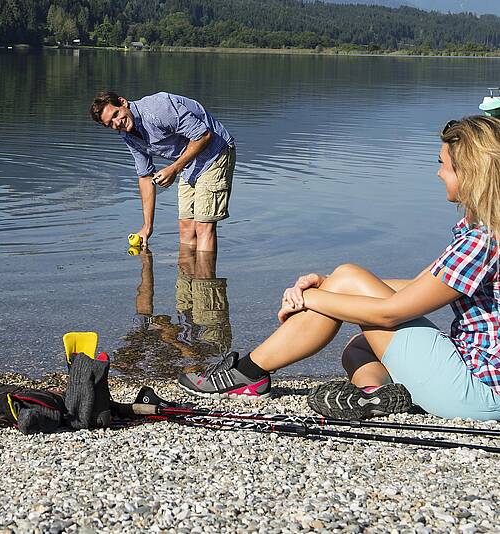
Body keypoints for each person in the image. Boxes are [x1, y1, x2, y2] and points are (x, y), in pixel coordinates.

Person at [179, 116, 500, 422]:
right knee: (358, 348)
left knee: (350, 277)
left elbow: (391, 313)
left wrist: (313, 298)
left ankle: (246, 373)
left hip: (475, 393)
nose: (439, 173)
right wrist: (329, 284)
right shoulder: (485, 230)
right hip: (478, 378)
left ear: (470, 172)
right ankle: (377, 395)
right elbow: (420, 286)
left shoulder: (484, 240)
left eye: (443, 164)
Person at [90, 91, 235, 252]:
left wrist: (174, 169)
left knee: (203, 226)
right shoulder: (128, 135)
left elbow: (203, 135)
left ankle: (205, 276)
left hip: (214, 153)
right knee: (186, 227)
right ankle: (187, 274)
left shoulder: (157, 108)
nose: (117, 123)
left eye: (116, 114)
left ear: (123, 102)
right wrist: (147, 227)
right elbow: (145, 176)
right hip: (188, 163)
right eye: (110, 124)